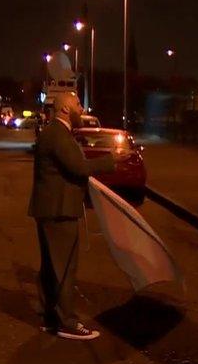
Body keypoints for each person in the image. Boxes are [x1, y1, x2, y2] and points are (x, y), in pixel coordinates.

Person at [28, 92, 126, 340]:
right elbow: (79, 168)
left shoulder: (55, 133)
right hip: (58, 210)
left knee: (52, 267)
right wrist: (111, 160)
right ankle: (66, 322)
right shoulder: (57, 134)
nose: (81, 109)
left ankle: (51, 317)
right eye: (77, 105)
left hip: (53, 209)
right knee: (64, 268)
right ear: (64, 110)